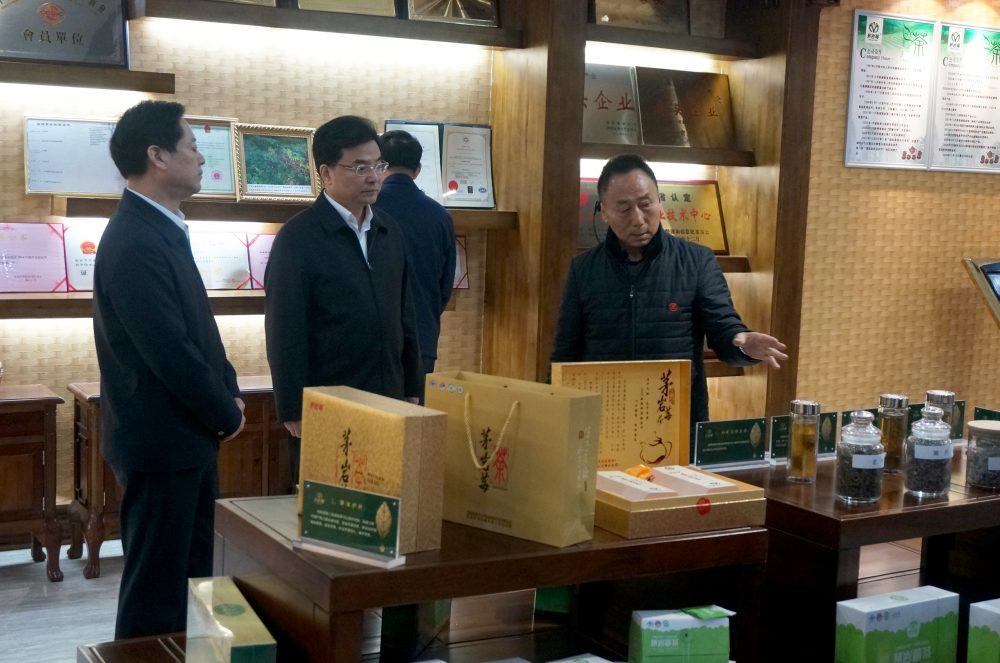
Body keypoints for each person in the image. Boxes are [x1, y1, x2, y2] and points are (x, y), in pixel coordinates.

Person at [93, 100, 246, 639]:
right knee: (156, 593)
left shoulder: (162, 227)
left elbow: (199, 329)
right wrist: (226, 413)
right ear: (157, 156)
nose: (202, 158)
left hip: (186, 438)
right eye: (193, 146)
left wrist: (227, 389)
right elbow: (169, 351)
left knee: (192, 582)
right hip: (161, 443)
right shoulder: (134, 239)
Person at [551, 153, 788, 427]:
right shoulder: (583, 269)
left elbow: (723, 328)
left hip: (676, 421)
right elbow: (564, 355)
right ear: (603, 212)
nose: (638, 219)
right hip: (605, 421)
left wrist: (743, 343)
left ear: (659, 201)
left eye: (645, 204)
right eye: (624, 208)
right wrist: (554, 417)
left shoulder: (697, 261)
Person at [264, 115, 422, 477]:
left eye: (378, 165)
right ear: (327, 173)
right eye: (359, 167)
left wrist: (412, 387)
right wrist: (293, 407)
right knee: (333, 502)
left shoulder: (389, 230)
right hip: (328, 403)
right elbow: (284, 329)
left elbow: (405, 315)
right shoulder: (298, 238)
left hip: (388, 398)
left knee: (384, 495)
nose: (373, 177)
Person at [373, 129, 456, 398]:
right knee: (413, 415)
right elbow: (445, 286)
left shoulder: (367, 208)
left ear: (379, 165)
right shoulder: (440, 216)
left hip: (374, 337)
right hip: (423, 336)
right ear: (418, 169)